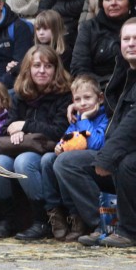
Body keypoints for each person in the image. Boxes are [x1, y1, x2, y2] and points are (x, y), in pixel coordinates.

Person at [55, 18, 136, 247]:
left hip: (126, 151)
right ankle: (103, 225)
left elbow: (132, 124)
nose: (131, 43)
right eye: (126, 39)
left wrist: (106, 157)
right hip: (116, 147)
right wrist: (82, 109)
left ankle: (128, 230)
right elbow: (111, 111)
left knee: (126, 163)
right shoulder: (123, 72)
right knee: (65, 163)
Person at [0, 45, 72, 240]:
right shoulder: (20, 94)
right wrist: (15, 130)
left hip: (51, 148)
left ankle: (42, 220)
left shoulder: (64, 95)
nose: (42, 71)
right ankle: (6, 219)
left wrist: (25, 126)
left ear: (56, 69)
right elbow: (8, 126)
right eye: (37, 66)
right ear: (28, 68)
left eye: (48, 66)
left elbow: (59, 130)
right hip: (24, 146)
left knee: (24, 162)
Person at [41, 75, 109, 241]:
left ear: (100, 98)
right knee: (48, 160)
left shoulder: (104, 117)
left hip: (98, 162)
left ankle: (99, 221)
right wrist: (59, 146)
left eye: (87, 98)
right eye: (77, 99)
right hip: (77, 161)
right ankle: (68, 215)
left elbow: (96, 144)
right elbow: (67, 138)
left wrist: (85, 119)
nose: (82, 103)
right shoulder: (75, 118)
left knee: (63, 162)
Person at [71, 0, 136, 87]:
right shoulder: (89, 28)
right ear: (102, 3)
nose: (113, 3)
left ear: (130, 2)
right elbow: (79, 68)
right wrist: (110, 85)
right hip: (99, 89)